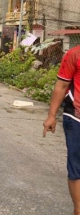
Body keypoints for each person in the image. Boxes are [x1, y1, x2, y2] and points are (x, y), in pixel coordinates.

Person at [43, 46, 80, 214]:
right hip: (76, 118)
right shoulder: (74, 54)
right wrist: (51, 116)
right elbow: (62, 85)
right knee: (77, 168)